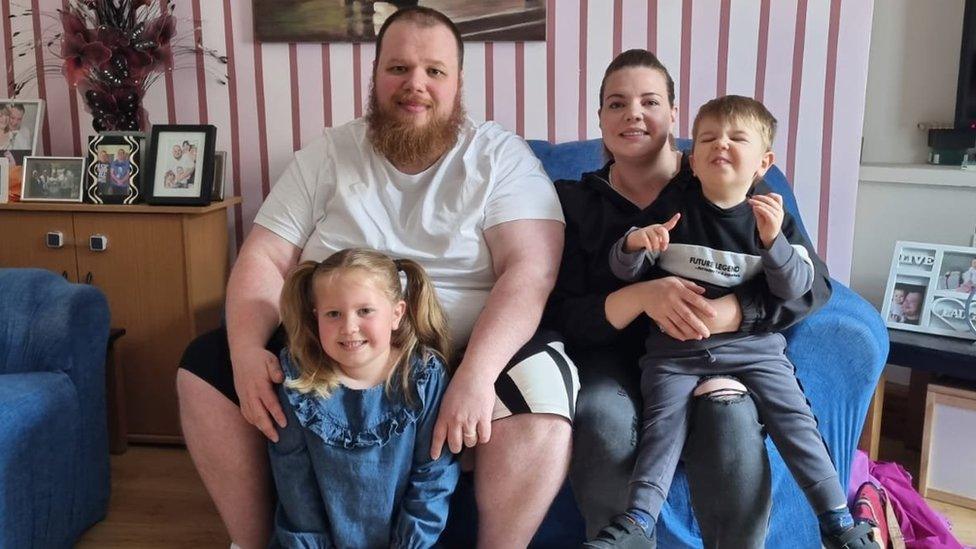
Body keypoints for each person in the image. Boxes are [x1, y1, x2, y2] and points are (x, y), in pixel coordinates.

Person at [177, 7, 574, 548]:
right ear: (375, 76)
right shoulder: (329, 153)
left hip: (462, 346)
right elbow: (263, 258)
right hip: (330, 345)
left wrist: (477, 376)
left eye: (435, 71)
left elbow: (530, 271)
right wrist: (247, 352)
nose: (416, 84)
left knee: (544, 390)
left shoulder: (500, 157)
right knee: (204, 366)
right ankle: (250, 543)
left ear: (458, 83)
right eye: (398, 68)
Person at [543, 50, 832, 549]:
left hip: (713, 352)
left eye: (650, 101)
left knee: (730, 412)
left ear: (673, 115)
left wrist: (734, 312)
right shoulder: (571, 200)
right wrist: (641, 296)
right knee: (600, 414)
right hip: (612, 360)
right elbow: (561, 310)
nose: (633, 113)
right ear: (600, 120)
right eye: (616, 103)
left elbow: (815, 285)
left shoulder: (731, 176)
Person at [583, 94, 878, 549]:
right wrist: (635, 245)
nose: (721, 144)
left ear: (763, 162)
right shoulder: (671, 208)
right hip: (674, 351)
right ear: (692, 161)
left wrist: (773, 242)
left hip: (754, 349)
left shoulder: (771, 215)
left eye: (737, 138)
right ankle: (638, 522)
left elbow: (798, 286)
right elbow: (624, 272)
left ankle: (837, 518)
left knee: (796, 420)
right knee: (662, 428)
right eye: (708, 138)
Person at [269, 248, 460, 548]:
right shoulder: (298, 379)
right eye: (334, 314)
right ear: (316, 316)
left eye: (365, 311)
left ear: (397, 314)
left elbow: (433, 475)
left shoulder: (423, 377)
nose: (349, 327)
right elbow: (295, 484)